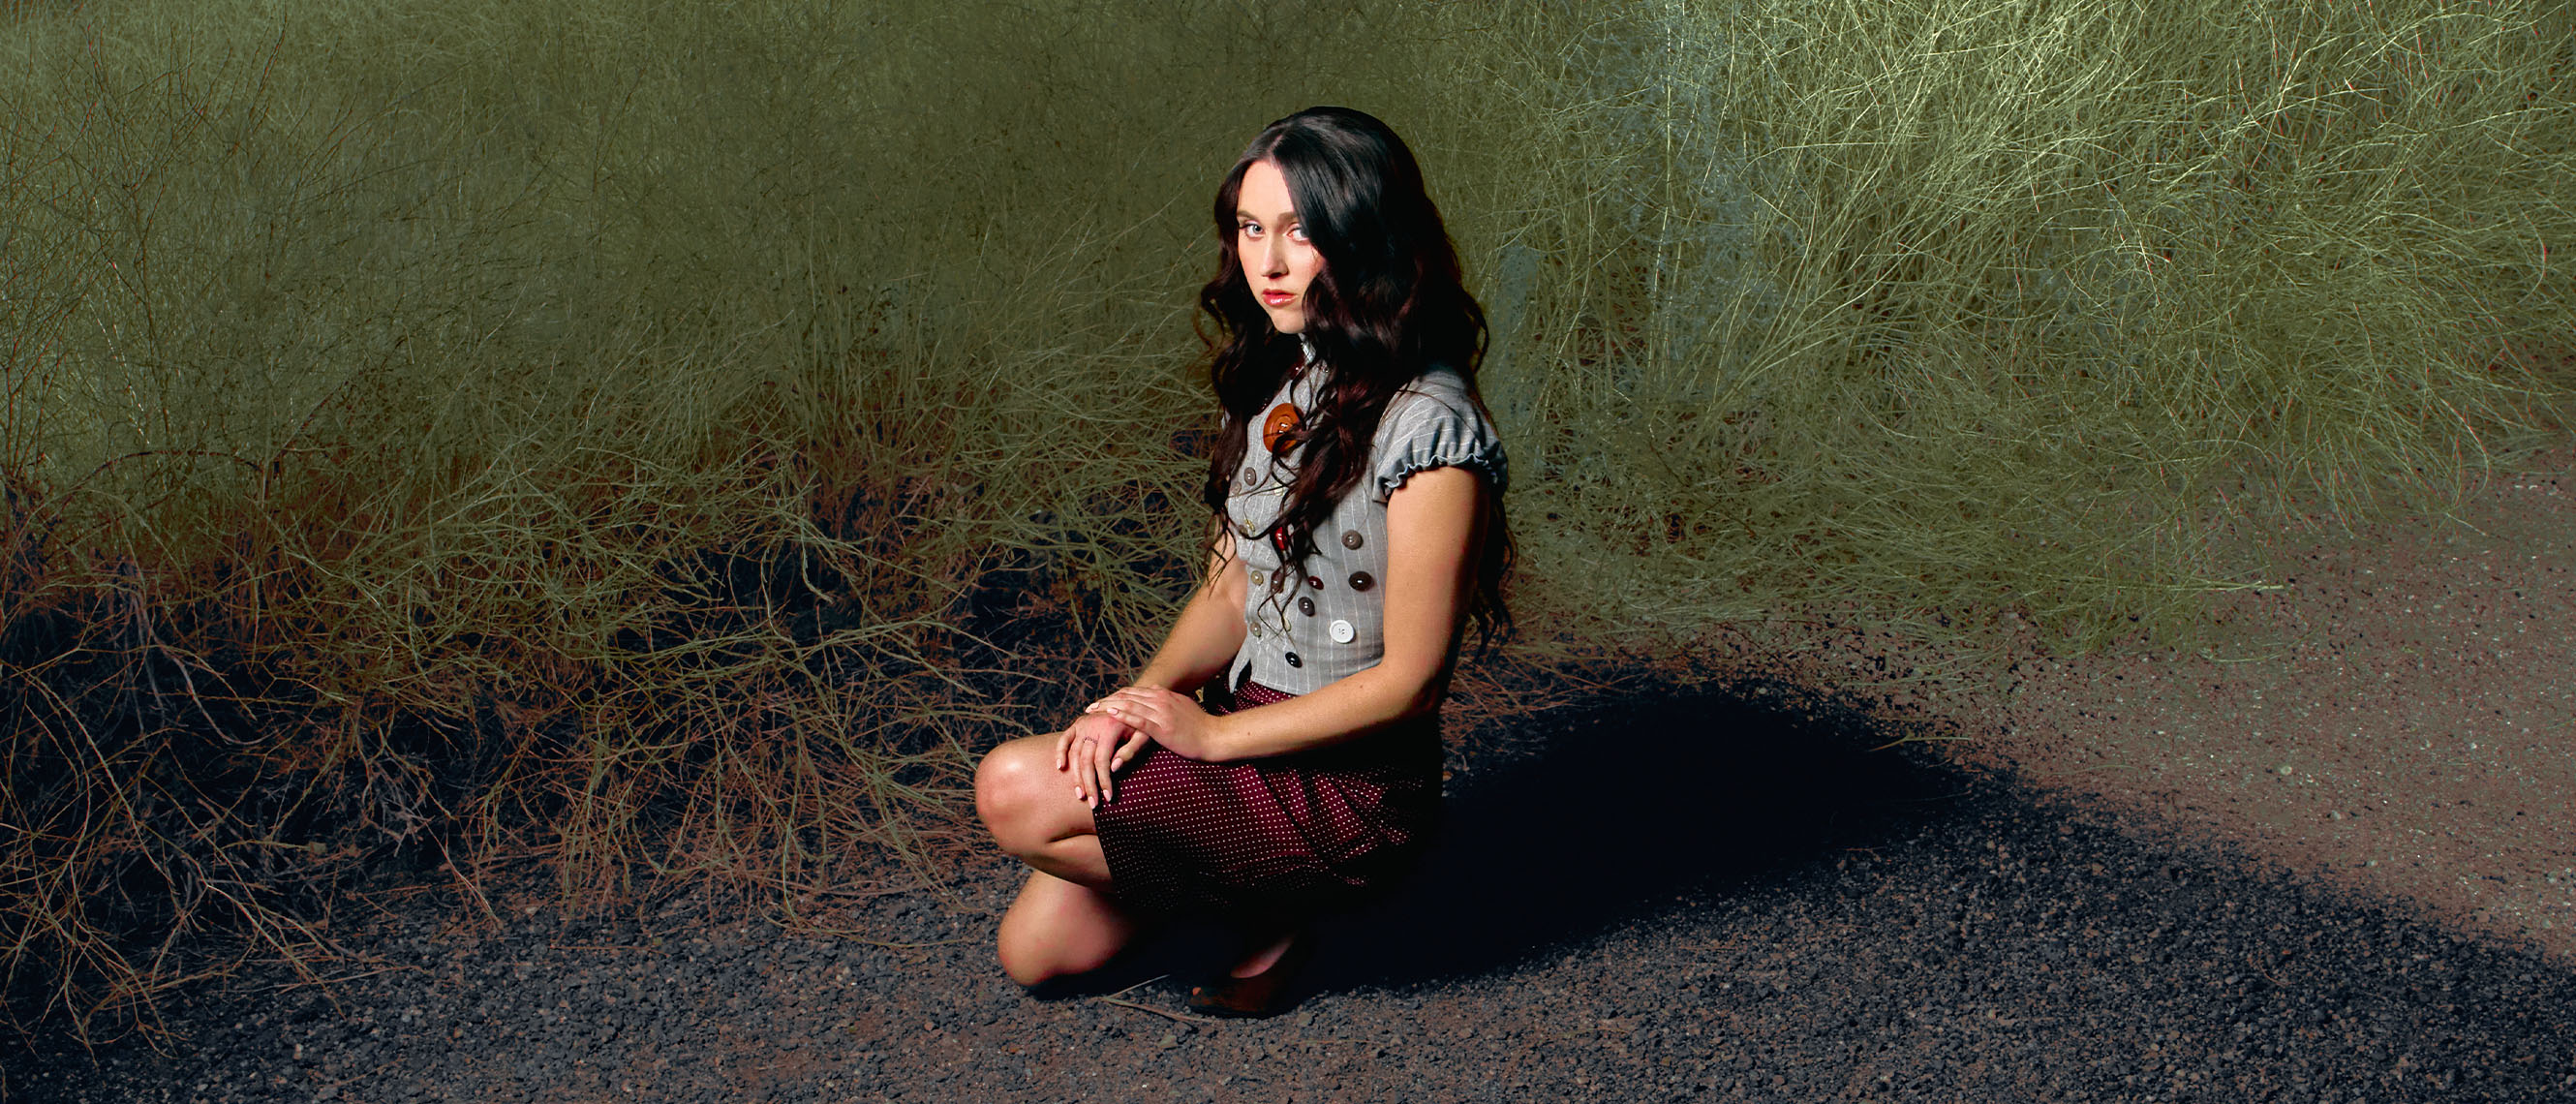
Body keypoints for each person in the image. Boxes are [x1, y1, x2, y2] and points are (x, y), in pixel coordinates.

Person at [972, 106, 1512, 1017]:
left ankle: (1307, 898)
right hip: (1249, 709)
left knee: (1013, 788)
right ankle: (1255, 885)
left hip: (1350, 779)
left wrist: (1210, 737)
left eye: (1301, 233)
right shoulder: (1282, 381)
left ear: (1366, 236)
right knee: (1035, 954)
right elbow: (1229, 588)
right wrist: (1133, 708)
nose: (1267, 263)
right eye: (1251, 229)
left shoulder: (1433, 426)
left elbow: (1412, 683)